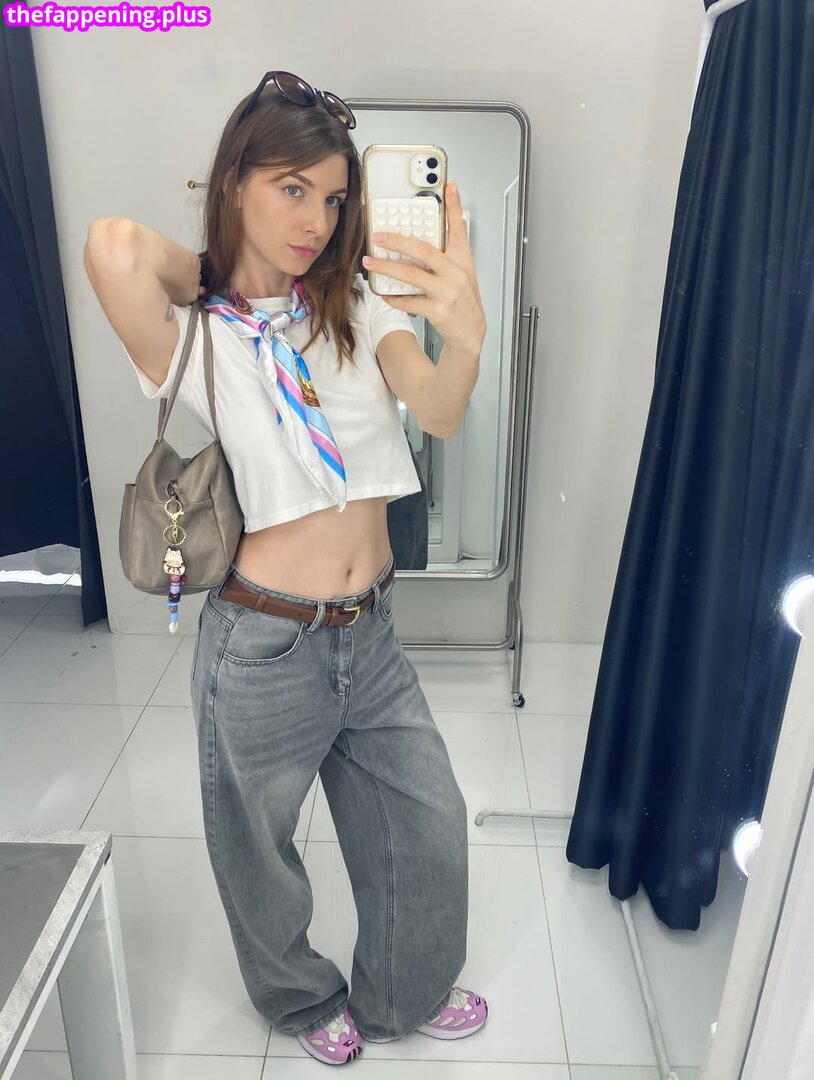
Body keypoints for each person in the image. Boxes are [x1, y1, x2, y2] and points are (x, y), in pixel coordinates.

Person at [84, 71, 488, 1066]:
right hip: (262, 643)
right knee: (255, 849)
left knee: (427, 822)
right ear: (236, 182)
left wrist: (467, 335)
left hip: (372, 635)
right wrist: (217, 271)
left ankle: (402, 992)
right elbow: (115, 247)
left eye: (335, 198)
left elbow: (438, 411)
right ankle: (301, 1001)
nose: (317, 220)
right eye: (291, 188)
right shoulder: (195, 334)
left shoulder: (355, 305)